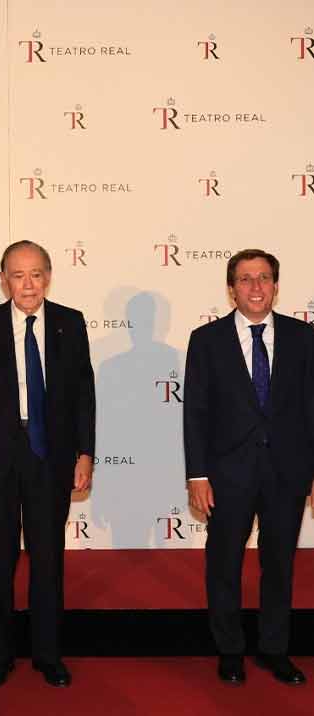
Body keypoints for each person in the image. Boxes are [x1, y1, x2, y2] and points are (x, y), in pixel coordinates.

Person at [0, 240, 94, 688]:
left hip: (50, 458)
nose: (28, 284)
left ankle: (48, 655)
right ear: (3, 280)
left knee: (48, 560)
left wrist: (85, 452)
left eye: (36, 274)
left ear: (48, 276)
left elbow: (83, 395)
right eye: (18, 275)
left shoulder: (70, 325)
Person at [184, 249, 314, 686]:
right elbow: (196, 413)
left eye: (263, 278)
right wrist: (197, 475)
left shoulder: (303, 337)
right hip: (226, 475)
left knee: (279, 564)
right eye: (245, 279)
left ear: (276, 286)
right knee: (224, 563)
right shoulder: (206, 341)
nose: (255, 287)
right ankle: (230, 650)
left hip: (287, 473)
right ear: (231, 288)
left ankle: (275, 649)